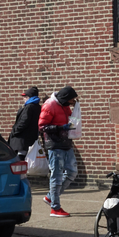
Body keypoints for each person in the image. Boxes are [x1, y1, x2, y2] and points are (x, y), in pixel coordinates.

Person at [38, 85, 79, 217]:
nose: (73, 102)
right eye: (72, 100)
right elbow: (42, 126)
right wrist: (61, 127)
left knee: (72, 172)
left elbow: (69, 119)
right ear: (65, 98)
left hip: (66, 143)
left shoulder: (65, 105)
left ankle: (51, 197)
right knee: (56, 176)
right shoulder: (50, 105)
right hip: (55, 144)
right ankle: (55, 208)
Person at [8, 86, 42, 156]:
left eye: (25, 97)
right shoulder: (38, 107)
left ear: (29, 97)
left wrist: (15, 131)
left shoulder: (28, 107)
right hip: (30, 138)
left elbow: (24, 121)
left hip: (22, 139)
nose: (23, 99)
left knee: (20, 158)